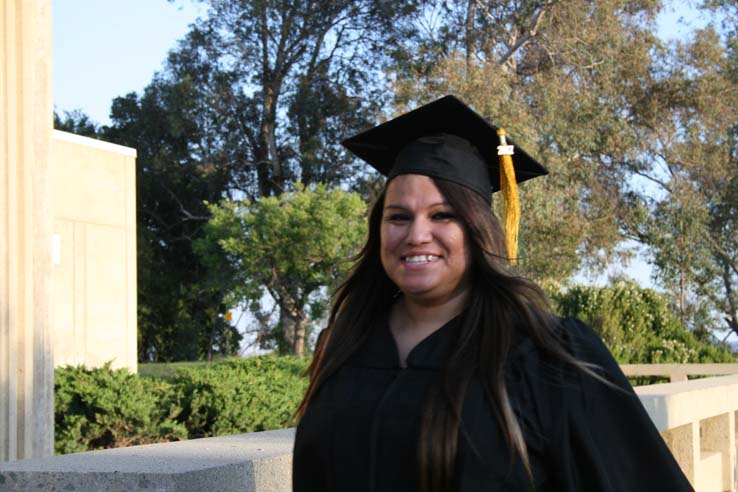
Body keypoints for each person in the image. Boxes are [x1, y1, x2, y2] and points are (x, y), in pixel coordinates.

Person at [292, 95, 693, 492]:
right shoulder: (343, 347)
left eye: (442, 215)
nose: (416, 235)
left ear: (478, 228)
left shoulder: (545, 354)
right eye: (398, 217)